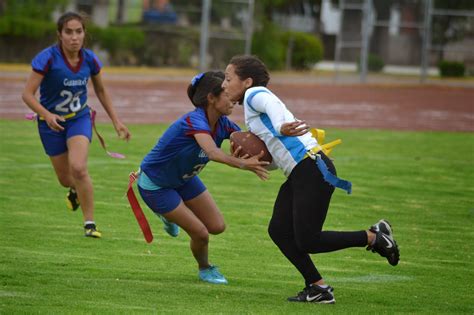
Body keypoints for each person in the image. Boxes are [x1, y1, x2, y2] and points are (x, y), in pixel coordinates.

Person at [222, 55, 400, 304]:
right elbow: (277, 158)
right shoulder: (252, 111)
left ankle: (373, 237)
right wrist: (255, 162)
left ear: (247, 81)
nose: (224, 84)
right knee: (279, 231)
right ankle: (318, 288)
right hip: (301, 171)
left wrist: (282, 125)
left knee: (308, 240)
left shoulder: (255, 94)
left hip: (312, 168)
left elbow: (270, 103)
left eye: (229, 78)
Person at [136, 71, 269, 284]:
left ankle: (170, 214)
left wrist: (284, 139)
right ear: (211, 98)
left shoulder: (224, 124)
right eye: (227, 94)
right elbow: (213, 153)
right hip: (156, 185)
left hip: (184, 179)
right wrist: (244, 164)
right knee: (201, 233)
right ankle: (205, 268)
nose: (233, 99)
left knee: (217, 226)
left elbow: (250, 140)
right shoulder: (194, 121)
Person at [22, 12, 131, 238]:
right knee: (65, 179)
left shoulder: (90, 59)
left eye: (78, 32)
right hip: (50, 124)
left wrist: (116, 120)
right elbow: (27, 94)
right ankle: (74, 190)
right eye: (68, 32)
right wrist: (47, 115)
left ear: (84, 34)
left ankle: (89, 224)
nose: (74, 37)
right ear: (59, 35)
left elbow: (100, 90)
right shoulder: (47, 58)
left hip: (79, 119)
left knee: (79, 168)